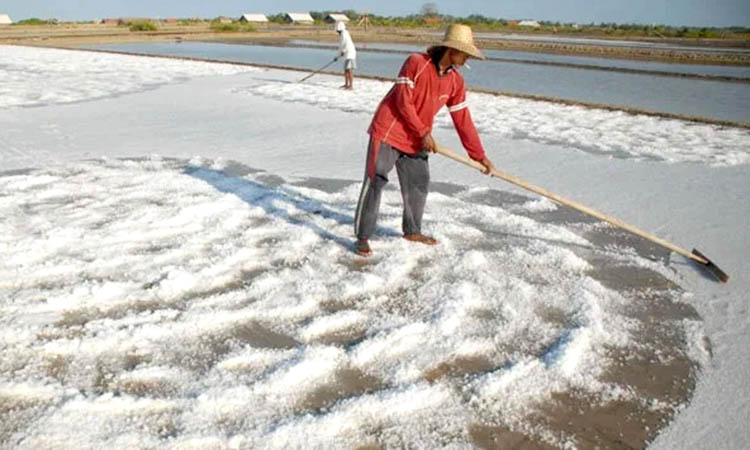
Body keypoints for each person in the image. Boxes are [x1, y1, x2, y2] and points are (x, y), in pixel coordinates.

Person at [353, 24, 495, 256]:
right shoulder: (416, 63)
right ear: (451, 50)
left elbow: (463, 120)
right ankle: (362, 237)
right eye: (465, 53)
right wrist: (422, 132)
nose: (468, 58)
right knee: (375, 180)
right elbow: (403, 101)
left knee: (418, 184)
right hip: (389, 131)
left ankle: (412, 231)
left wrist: (478, 155)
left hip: (417, 139)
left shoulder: (456, 82)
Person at [335, 21, 356, 90]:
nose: (337, 32)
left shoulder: (344, 34)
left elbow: (346, 45)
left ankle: (351, 86)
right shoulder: (343, 34)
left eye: (338, 30)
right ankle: (346, 84)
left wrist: (342, 52)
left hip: (350, 54)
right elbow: (341, 46)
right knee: (346, 70)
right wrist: (337, 56)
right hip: (346, 54)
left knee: (349, 70)